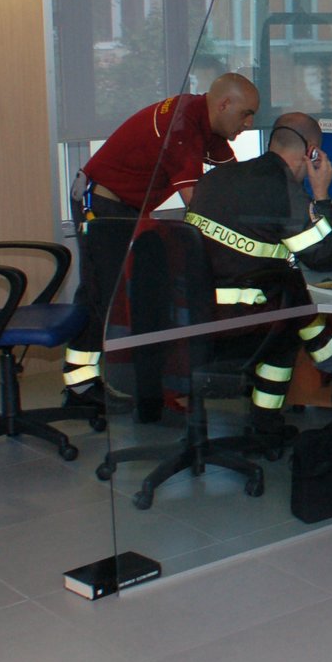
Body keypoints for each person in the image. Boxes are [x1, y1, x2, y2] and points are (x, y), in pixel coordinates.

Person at [63, 74, 260, 410]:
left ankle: (137, 385)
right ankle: (82, 386)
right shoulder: (182, 127)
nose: (249, 123)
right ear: (224, 104)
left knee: (133, 293)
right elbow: (195, 203)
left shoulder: (204, 121)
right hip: (102, 202)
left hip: (129, 207)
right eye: (246, 114)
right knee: (108, 296)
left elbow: (235, 181)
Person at [184, 112, 332, 435]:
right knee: (288, 314)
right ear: (311, 151)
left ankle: (328, 360)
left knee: (285, 284)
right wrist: (322, 196)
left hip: (190, 316)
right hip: (233, 325)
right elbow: (325, 256)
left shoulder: (217, 178)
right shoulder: (284, 191)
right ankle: (266, 423)